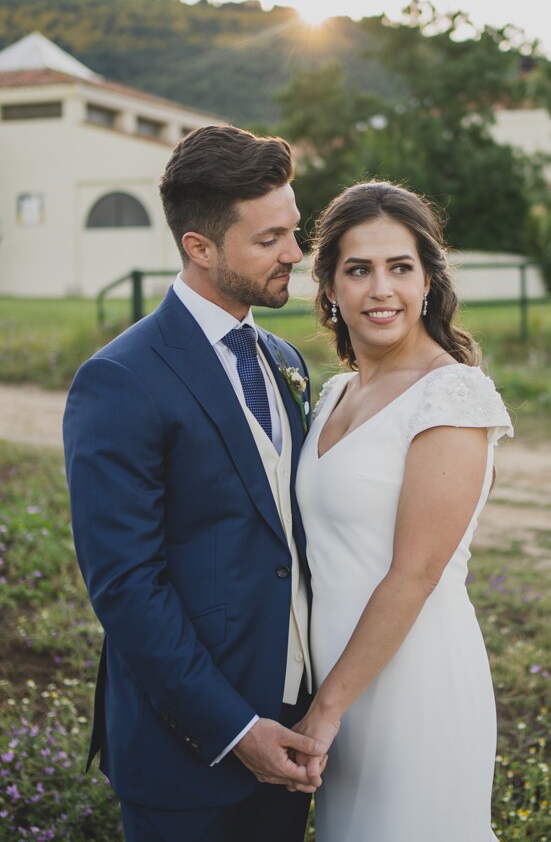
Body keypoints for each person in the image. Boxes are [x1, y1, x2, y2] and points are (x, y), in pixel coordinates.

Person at [62, 125, 325, 842]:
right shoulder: (120, 379)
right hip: (186, 750)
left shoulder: (283, 358)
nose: (295, 254)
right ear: (199, 248)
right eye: (270, 239)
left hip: (293, 730)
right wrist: (236, 729)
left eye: (294, 230)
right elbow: (126, 587)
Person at [292, 181, 513, 841]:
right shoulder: (335, 394)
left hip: (415, 681)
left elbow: (415, 572)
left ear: (427, 282)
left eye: (400, 267)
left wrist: (326, 710)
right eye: (358, 270)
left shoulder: (452, 396)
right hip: (339, 680)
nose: (380, 289)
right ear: (330, 286)